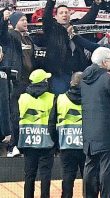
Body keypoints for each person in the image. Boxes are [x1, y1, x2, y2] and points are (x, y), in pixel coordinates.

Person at [81, 47, 110, 198]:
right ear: (104, 62)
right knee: (107, 171)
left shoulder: (84, 79)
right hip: (108, 132)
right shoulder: (108, 77)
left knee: (90, 167)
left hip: (89, 131)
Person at [18, 68, 55, 198]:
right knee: (45, 175)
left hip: (28, 141)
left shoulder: (22, 98)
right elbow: (53, 122)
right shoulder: (52, 98)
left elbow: (17, 119)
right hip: (46, 142)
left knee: (29, 175)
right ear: (44, 81)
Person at [56, 72, 84, 198]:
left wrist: (57, 144)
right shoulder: (90, 100)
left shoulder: (60, 98)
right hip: (86, 146)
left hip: (66, 144)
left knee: (67, 178)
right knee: (89, 179)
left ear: (71, 82)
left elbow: (52, 124)